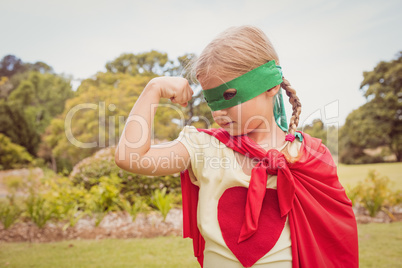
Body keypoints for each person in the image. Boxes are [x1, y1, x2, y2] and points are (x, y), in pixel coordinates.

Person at [115, 25, 359, 268]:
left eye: (229, 96)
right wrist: (153, 89)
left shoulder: (311, 155)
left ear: (271, 85)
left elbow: (334, 239)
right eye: (211, 99)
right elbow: (131, 157)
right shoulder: (203, 146)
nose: (218, 111)